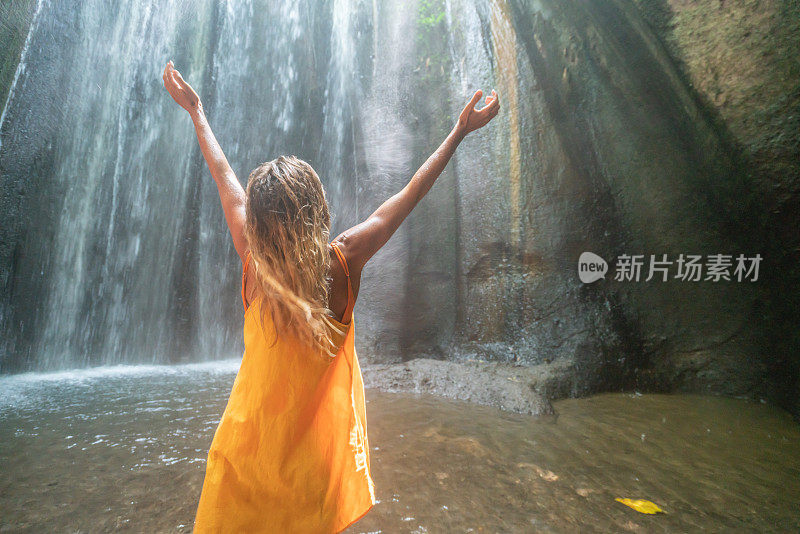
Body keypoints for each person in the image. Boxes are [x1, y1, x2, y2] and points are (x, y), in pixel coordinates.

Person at [162, 59, 500, 533]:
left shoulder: (252, 264)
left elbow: (228, 185)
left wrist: (196, 111)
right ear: (317, 210)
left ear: (256, 225)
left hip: (244, 455)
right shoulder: (343, 264)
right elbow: (408, 195)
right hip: (312, 470)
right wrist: (459, 132)